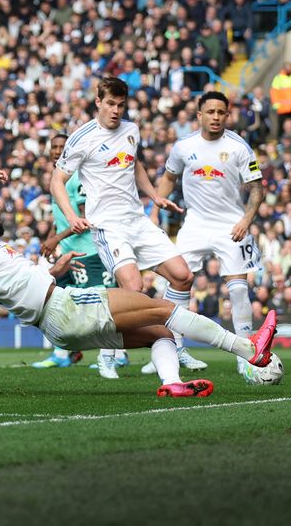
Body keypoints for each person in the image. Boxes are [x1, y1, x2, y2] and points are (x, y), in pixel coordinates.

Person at [0, 186, 279, 398]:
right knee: (160, 307)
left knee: (160, 333)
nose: (3, 204)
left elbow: (14, 283)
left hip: (59, 325)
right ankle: (248, 349)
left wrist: (53, 271)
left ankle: (173, 383)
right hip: (66, 308)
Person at [50, 76, 204, 380]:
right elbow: (56, 180)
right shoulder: (82, 138)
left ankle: (173, 343)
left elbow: (134, 166)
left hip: (137, 220)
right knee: (134, 289)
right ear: (98, 101)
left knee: (183, 276)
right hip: (108, 226)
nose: (116, 110)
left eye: (121, 105)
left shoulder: (131, 130)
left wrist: (155, 196)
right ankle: (109, 353)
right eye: (110, 104)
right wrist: (71, 216)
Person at [158, 90, 264, 379]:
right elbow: (169, 177)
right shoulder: (183, 147)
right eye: (211, 112)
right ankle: (174, 349)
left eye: (221, 112)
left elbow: (256, 187)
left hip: (231, 224)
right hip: (194, 224)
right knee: (178, 281)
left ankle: (245, 354)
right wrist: (156, 208)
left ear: (227, 116)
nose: (216, 117)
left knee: (239, 288)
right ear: (199, 115)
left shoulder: (240, 147)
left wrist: (246, 219)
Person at [32, 133, 112, 370]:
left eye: (61, 147)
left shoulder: (76, 177)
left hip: (87, 252)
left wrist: (56, 238)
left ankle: (116, 354)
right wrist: (51, 241)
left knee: (98, 304)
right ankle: (64, 353)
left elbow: (83, 217)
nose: (57, 151)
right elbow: (60, 218)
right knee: (59, 301)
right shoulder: (58, 178)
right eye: (54, 147)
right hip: (67, 253)